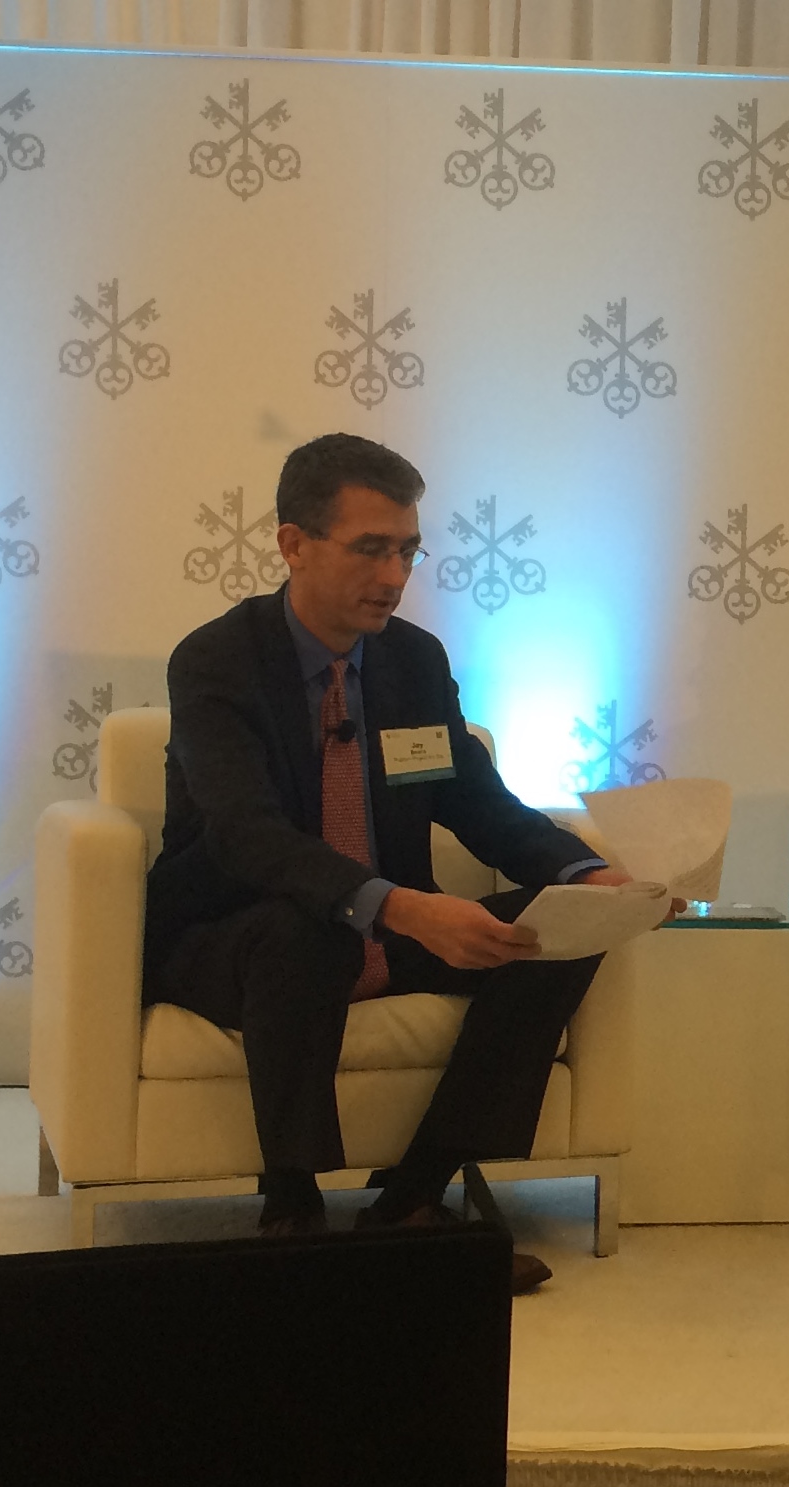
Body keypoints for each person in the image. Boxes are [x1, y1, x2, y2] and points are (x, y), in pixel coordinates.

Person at [144, 434, 630, 1295]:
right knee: (306, 933)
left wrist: (588, 877)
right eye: (370, 548)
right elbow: (244, 833)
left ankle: (413, 1198)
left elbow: (477, 802)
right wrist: (398, 906)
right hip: (231, 934)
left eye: (407, 551)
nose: (394, 575)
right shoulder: (218, 660)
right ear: (293, 543)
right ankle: (292, 1210)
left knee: (559, 934)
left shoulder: (412, 661)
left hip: (385, 926)